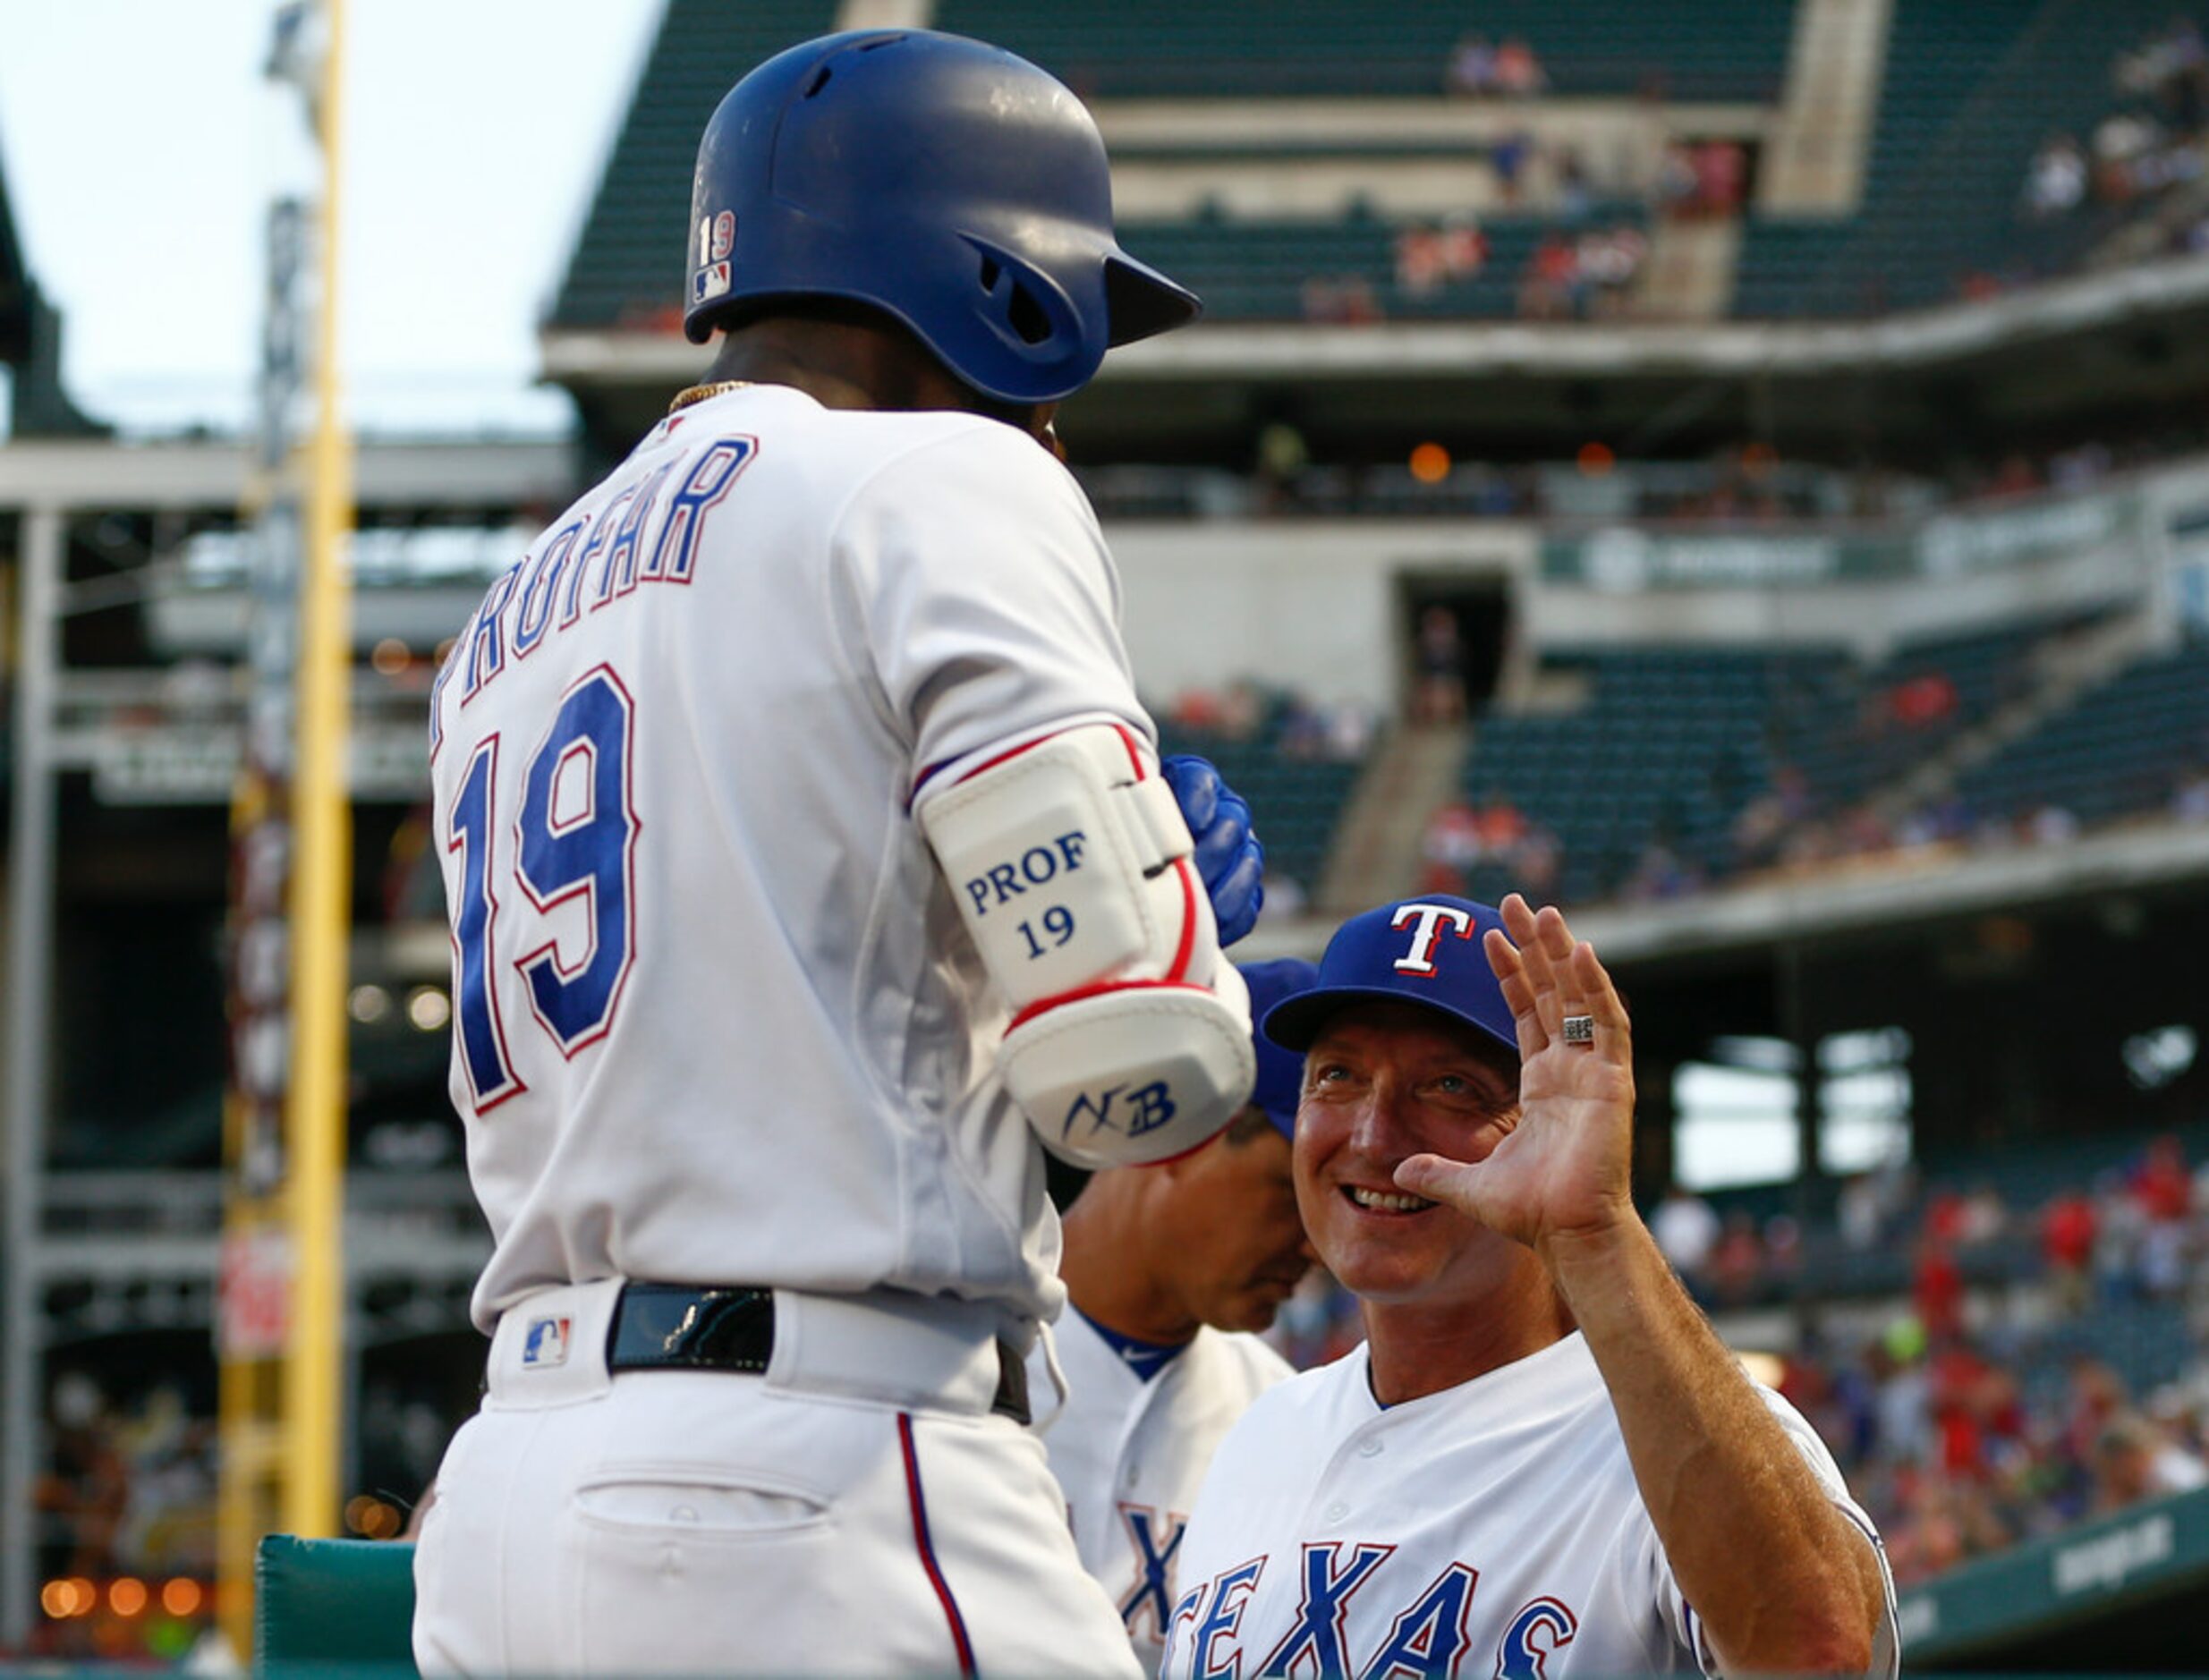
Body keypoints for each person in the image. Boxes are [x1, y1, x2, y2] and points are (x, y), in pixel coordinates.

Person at [412, 30, 1266, 1678]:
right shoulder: (942, 473)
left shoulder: (501, 618)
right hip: (812, 1475)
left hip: (510, 1491)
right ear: (999, 287)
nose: (1059, 403)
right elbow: (1142, 1076)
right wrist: (1181, 942)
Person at [1162, 894, 1899, 1678]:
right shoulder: (1260, 1435)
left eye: (1449, 1087)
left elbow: (1816, 1657)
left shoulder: (1679, 1431)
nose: (1373, 1138)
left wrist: (1594, 1230)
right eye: (1337, 1076)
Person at [1032, 958, 1322, 1674]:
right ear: (1177, 1130)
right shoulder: (944, 1354)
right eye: (1291, 1194)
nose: (1320, 1246)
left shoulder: (1284, 1422)